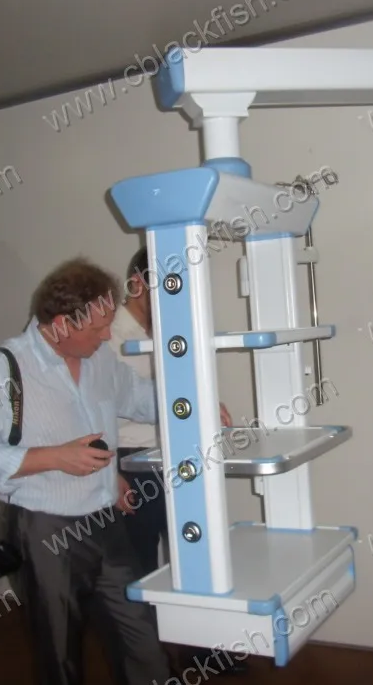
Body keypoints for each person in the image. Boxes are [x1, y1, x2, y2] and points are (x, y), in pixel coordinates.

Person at [0, 257, 171, 685]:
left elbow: (139, 397)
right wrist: (56, 457)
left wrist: (194, 404)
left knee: (143, 641)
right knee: (60, 654)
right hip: (44, 529)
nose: (107, 336)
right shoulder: (2, 368)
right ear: (61, 324)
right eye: (98, 328)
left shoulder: (99, 359)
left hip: (106, 521)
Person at [109, 247, 246, 676]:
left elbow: (184, 386)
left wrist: (208, 405)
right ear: (137, 283)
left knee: (196, 557)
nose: (172, 294)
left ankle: (205, 655)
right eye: (163, 285)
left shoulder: (172, 328)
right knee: (141, 569)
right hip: (132, 461)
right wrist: (110, 471)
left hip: (180, 453)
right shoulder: (108, 334)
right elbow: (93, 410)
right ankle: (151, 665)